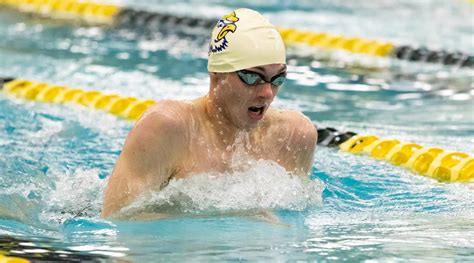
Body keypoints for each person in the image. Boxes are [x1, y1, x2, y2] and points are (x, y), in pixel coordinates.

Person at [101, 8, 317, 219]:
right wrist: (239, 219)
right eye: (252, 77)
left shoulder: (293, 137)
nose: (267, 92)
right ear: (217, 72)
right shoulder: (168, 128)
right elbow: (117, 218)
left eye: (277, 79)